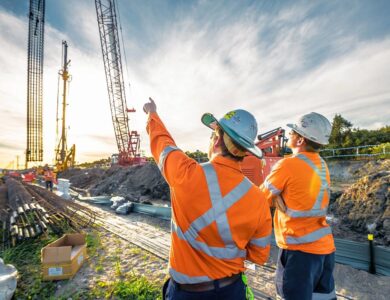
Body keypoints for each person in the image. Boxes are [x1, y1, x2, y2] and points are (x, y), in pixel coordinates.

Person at [143, 98, 272, 300]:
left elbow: (162, 143)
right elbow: (259, 256)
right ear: (245, 151)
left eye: (213, 134)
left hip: (188, 293)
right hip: (232, 290)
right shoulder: (258, 198)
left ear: (218, 141)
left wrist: (152, 113)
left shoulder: (185, 174)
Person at [260, 112, 336, 300]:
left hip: (298, 251)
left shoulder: (288, 165)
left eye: (293, 131)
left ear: (300, 140)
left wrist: (275, 198)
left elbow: (260, 198)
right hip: (324, 249)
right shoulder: (321, 165)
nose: (289, 133)